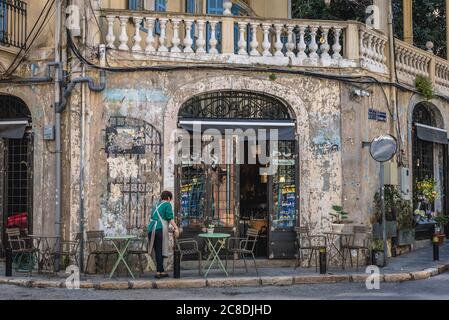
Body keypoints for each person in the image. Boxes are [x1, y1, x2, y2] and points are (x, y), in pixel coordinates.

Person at [148, 191, 180, 279]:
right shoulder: (167, 204)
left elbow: (157, 218)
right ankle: (159, 272)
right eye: (171, 199)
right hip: (159, 229)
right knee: (160, 250)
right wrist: (176, 228)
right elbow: (170, 218)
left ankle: (161, 271)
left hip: (151, 229)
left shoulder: (156, 205)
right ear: (169, 198)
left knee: (157, 250)